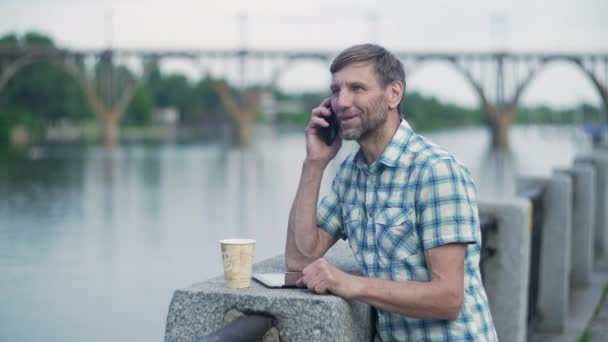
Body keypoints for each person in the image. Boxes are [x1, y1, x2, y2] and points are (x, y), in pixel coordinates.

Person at [284, 43, 498, 341]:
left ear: (393, 94)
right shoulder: (350, 175)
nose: (342, 102)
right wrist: (314, 164)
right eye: (335, 90)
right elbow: (299, 260)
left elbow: (449, 298)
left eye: (357, 88)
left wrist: (353, 285)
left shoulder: (435, 171)